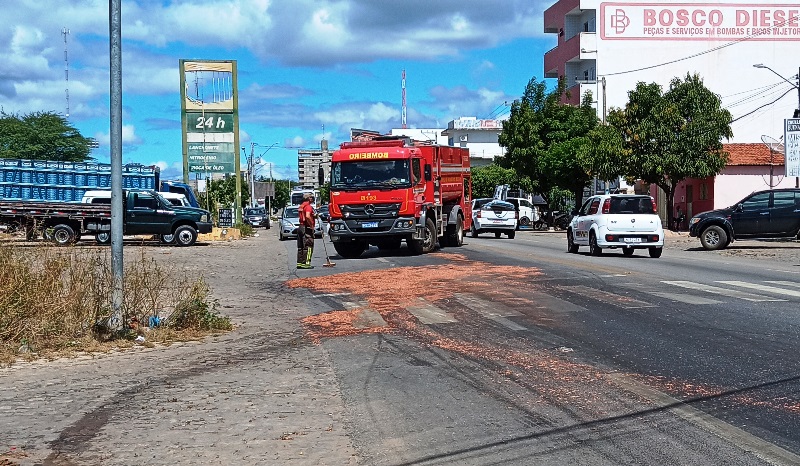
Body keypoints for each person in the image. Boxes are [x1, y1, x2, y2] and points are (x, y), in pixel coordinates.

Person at [296, 193, 316, 269]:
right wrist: (311, 225)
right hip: (306, 228)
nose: (313, 199)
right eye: (312, 198)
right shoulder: (308, 207)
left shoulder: (302, 206)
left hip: (300, 227)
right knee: (309, 245)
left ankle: (300, 263)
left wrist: (313, 216)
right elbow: (307, 216)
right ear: (309, 198)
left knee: (301, 246)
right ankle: (306, 263)